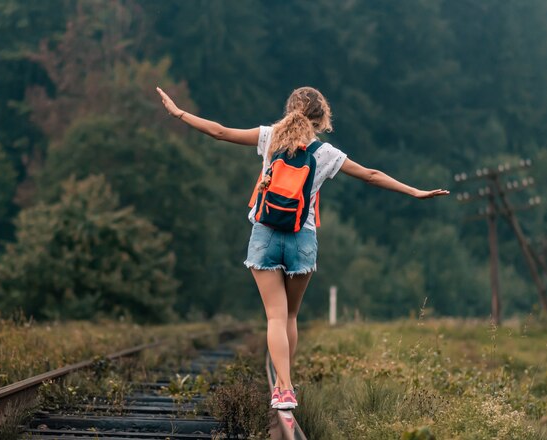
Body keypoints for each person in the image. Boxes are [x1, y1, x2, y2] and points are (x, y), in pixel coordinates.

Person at [156, 86, 449, 410]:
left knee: (275, 318)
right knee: (291, 315)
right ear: (322, 118)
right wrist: (415, 192)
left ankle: (281, 389)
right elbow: (371, 175)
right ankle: (286, 387)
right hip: (302, 238)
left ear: (289, 110)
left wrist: (179, 113)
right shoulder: (325, 154)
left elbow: (220, 132)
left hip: (265, 233)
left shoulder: (269, 137)